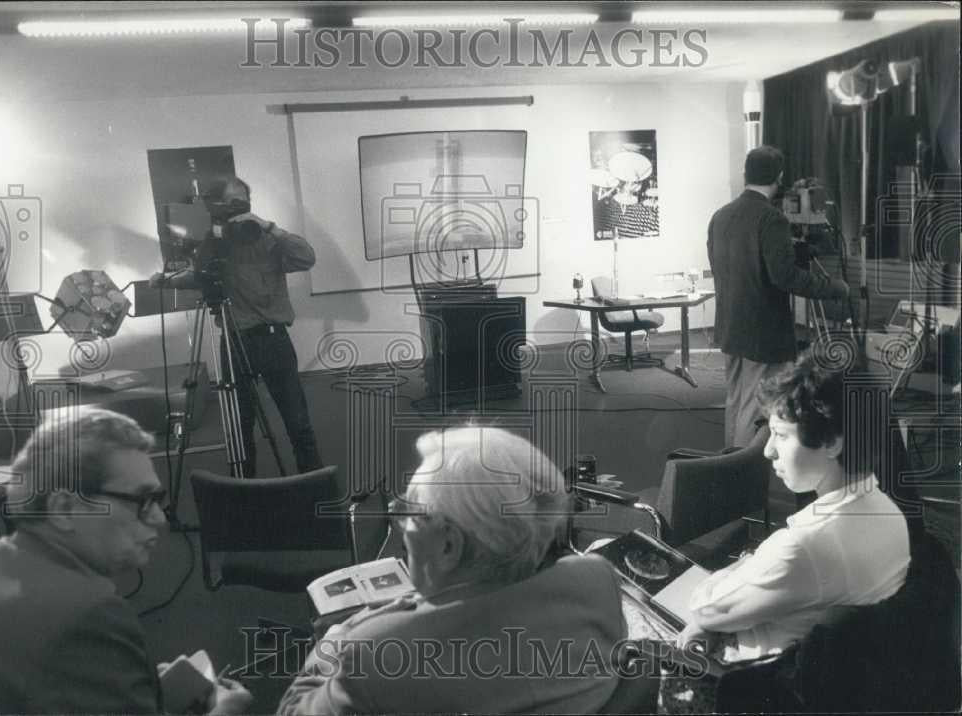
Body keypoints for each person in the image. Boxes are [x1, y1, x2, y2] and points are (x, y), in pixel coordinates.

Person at [277, 426, 633, 715]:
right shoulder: (596, 580)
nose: (401, 527)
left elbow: (293, 711)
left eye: (408, 513)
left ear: (449, 545)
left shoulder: (373, 652)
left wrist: (334, 642)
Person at [0, 408, 252, 715]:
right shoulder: (91, 613)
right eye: (142, 501)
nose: (158, 519)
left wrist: (128, 685)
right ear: (64, 508)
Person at [676, 353, 911, 664]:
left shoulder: (804, 545)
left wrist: (740, 566)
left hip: (751, 679)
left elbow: (705, 608)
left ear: (832, 443)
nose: (769, 450)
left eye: (782, 435)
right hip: (840, 675)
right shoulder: (890, 512)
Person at [151, 175, 322, 477]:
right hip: (233, 341)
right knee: (238, 428)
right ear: (216, 205)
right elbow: (199, 274)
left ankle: (315, 483)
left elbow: (306, 257)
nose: (240, 207)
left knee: (297, 421)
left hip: (273, 340)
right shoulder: (213, 244)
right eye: (233, 202)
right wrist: (167, 281)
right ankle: (244, 491)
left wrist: (269, 226)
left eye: (245, 201)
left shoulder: (267, 237)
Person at [708, 146, 850, 447]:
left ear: (745, 173)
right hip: (762, 331)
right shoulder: (771, 219)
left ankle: (727, 465)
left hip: (730, 325)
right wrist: (834, 288)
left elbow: (734, 265)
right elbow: (784, 277)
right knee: (756, 406)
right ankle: (742, 472)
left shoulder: (720, 216)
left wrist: (788, 251)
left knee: (736, 399)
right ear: (779, 177)